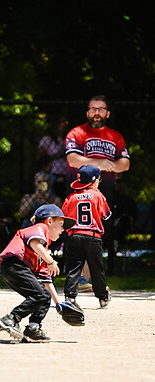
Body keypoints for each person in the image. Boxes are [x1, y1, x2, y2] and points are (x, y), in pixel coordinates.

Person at [64, 94, 130, 288]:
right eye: (93, 109)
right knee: (82, 230)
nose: (97, 113)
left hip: (104, 192)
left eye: (101, 109)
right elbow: (73, 160)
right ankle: (84, 279)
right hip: (79, 192)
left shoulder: (115, 136)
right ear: (87, 113)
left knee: (98, 232)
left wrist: (108, 166)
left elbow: (125, 164)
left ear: (107, 113)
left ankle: (87, 279)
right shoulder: (76, 133)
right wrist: (101, 163)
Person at [0, 204, 76, 342]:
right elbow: (34, 243)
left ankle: (33, 327)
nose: (63, 230)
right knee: (39, 294)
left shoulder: (42, 251)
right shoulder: (40, 228)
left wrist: (59, 304)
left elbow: (46, 280)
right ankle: (11, 318)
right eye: (61, 224)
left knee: (44, 295)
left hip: (14, 269)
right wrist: (51, 261)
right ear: (49, 221)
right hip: (14, 265)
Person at [62, 164, 112, 308]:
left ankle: (70, 297)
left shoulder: (71, 197)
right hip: (93, 236)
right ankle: (102, 297)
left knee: (73, 267)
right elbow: (107, 216)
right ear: (95, 181)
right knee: (96, 268)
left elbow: (63, 217)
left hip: (74, 236)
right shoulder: (98, 195)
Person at [36, 116, 70, 199]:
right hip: (52, 173)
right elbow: (39, 156)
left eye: (66, 123)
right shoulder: (48, 140)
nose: (64, 125)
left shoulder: (68, 140)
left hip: (66, 174)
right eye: (62, 123)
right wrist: (57, 155)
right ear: (56, 125)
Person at [113, 173, 138, 250]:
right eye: (113, 181)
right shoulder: (101, 198)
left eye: (118, 181)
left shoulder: (127, 200)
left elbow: (129, 220)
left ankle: (117, 244)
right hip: (104, 228)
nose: (115, 183)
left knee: (124, 220)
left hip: (119, 230)